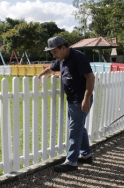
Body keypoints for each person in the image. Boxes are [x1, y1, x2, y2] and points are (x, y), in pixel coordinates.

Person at [38, 36, 95, 172]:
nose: (53, 55)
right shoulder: (62, 59)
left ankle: (71, 161)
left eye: (54, 52)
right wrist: (40, 75)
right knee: (78, 127)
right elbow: (52, 69)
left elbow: (90, 77)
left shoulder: (78, 57)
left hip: (80, 100)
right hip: (73, 100)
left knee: (74, 131)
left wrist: (86, 99)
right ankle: (86, 154)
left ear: (63, 47)